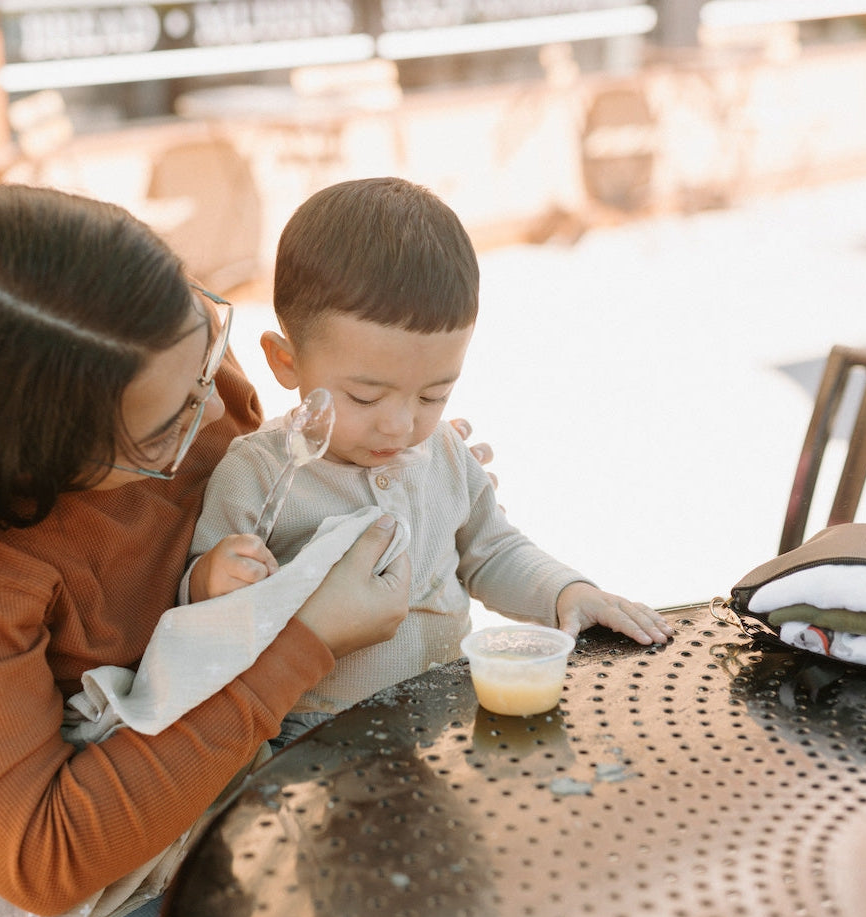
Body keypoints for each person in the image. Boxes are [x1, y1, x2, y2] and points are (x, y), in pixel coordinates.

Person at [0, 183, 496, 917]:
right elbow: (41, 859)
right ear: (34, 458)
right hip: (116, 892)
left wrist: (379, 470)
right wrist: (306, 646)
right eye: (165, 428)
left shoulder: (182, 378)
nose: (212, 404)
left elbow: (271, 487)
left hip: (278, 777)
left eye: (206, 352)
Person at [186, 176, 672, 747]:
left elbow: (492, 552)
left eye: (433, 394)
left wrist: (566, 593)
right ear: (286, 362)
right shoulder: (259, 471)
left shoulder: (443, 452)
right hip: (314, 735)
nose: (400, 425)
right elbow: (196, 612)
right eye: (365, 397)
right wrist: (209, 580)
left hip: (450, 714)